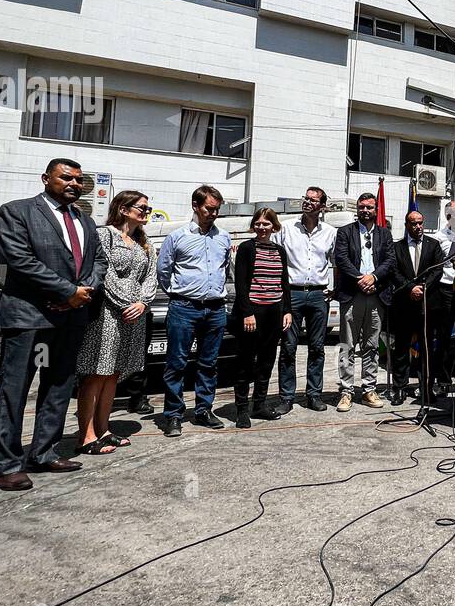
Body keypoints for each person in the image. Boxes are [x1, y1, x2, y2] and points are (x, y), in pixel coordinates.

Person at [0, 158, 106, 491]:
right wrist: (67, 290)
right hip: (30, 317)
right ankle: (7, 464)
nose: (73, 183)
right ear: (46, 178)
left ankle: (43, 453)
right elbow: (20, 260)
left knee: (58, 386)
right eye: (65, 177)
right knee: (15, 391)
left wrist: (83, 293)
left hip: (70, 317)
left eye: (79, 179)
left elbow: (96, 261)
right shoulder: (17, 212)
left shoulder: (85, 220)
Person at [74, 190, 156, 455]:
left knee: (114, 373)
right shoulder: (104, 235)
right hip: (108, 313)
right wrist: (126, 302)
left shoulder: (144, 243)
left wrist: (142, 302)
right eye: (141, 207)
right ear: (123, 208)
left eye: (148, 208)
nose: (146, 212)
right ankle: (86, 436)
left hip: (135, 314)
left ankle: (104, 429)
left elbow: (151, 276)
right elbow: (102, 272)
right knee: (97, 371)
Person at [157, 185, 231, 436]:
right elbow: (163, 271)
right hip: (184, 308)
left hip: (215, 309)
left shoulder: (223, 237)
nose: (213, 214)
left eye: (217, 210)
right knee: (176, 363)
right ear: (195, 206)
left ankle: (203, 410)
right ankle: (173, 415)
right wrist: (179, 295)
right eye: (209, 208)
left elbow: (225, 269)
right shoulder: (177, 237)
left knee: (208, 364)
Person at [333, 191, 396, 412]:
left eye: (369, 207)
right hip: (352, 293)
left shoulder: (384, 234)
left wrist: (374, 277)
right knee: (346, 345)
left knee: (371, 345)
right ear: (357, 209)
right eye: (361, 207)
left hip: (376, 294)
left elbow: (390, 260)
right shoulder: (345, 232)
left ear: (375, 210)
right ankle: (346, 391)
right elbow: (341, 258)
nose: (365, 211)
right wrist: (361, 278)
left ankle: (369, 388)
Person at [275, 186, 336, 412]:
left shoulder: (330, 231)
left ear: (322, 206)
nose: (308, 203)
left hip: (319, 294)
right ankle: (286, 398)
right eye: (306, 198)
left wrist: (334, 289)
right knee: (289, 347)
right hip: (292, 294)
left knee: (317, 347)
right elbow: (276, 259)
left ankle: (313, 395)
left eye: (313, 200)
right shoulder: (286, 228)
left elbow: (336, 262)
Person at [231, 208, 292, 427]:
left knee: (267, 360)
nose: (262, 227)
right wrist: (247, 313)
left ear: (274, 226)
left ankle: (259, 405)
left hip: (274, 311)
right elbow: (241, 283)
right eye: (258, 223)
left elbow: (284, 282)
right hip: (252, 311)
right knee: (245, 361)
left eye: (266, 224)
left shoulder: (279, 251)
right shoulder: (247, 248)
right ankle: (241, 410)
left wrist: (287, 310)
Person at [389, 210, 444, 404]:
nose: (418, 226)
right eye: (413, 223)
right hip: (404, 305)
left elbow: (437, 271)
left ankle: (426, 388)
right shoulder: (397, 247)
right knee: (402, 348)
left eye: (420, 223)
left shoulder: (433, 245)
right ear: (407, 225)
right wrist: (411, 288)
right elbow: (394, 272)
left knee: (427, 349)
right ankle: (400, 388)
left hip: (428, 306)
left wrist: (423, 289)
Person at [429, 200, 455, 397]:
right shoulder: (438, 237)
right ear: (448, 215)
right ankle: (442, 379)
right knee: (443, 336)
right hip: (446, 289)